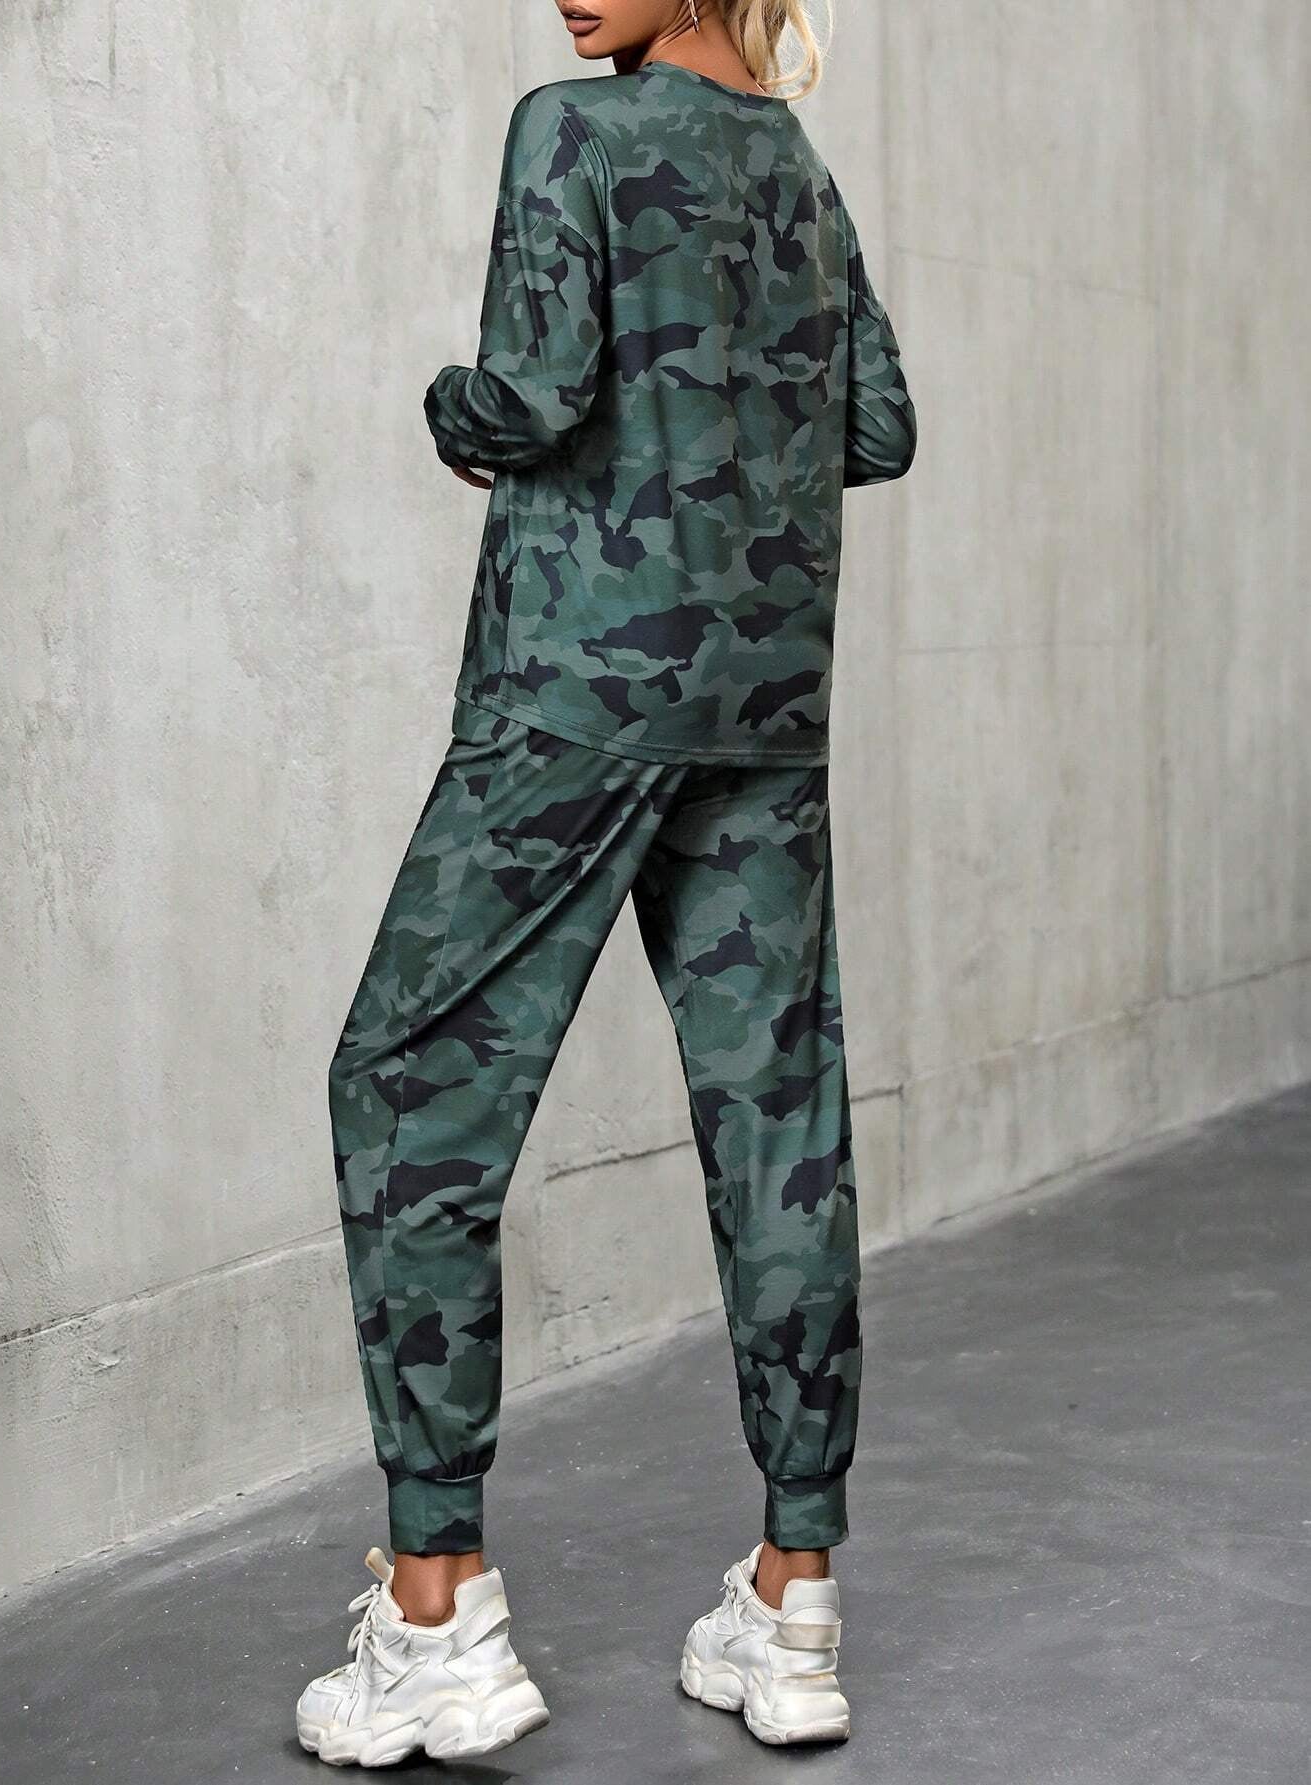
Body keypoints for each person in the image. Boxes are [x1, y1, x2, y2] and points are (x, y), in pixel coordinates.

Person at [296, 0, 916, 1764]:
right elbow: (880, 425)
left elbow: (535, 392)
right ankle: (795, 1597)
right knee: (779, 1119)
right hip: (763, 703)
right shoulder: (803, 175)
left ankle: (436, 1610)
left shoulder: (569, 130)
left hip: (576, 693)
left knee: (406, 1085)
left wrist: (451, 403)